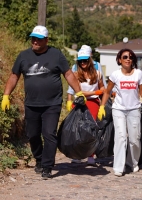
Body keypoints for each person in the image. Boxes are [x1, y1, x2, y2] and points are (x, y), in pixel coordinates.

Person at [1, 25, 85, 180]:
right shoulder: (23, 56)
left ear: (46, 40)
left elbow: (68, 74)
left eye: (39, 39)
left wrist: (78, 92)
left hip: (52, 103)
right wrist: (6, 95)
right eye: (33, 38)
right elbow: (14, 76)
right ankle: (39, 158)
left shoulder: (56, 55)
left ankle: (47, 166)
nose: (35, 42)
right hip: (31, 103)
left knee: (49, 134)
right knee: (32, 134)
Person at [97, 48, 142, 177]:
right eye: (125, 57)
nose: (128, 59)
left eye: (130, 57)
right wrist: (102, 106)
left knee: (134, 139)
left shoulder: (138, 74)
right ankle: (118, 167)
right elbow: (107, 91)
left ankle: (132, 162)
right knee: (121, 137)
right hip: (119, 109)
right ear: (119, 60)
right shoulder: (115, 75)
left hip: (134, 109)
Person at [66, 45, 105, 165]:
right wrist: (69, 99)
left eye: (85, 60)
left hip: (93, 103)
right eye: (80, 61)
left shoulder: (97, 73)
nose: (83, 63)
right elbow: (77, 90)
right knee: (78, 129)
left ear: (89, 61)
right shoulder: (76, 74)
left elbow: (102, 86)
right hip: (80, 102)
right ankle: (77, 155)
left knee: (91, 129)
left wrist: (102, 93)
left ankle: (91, 154)